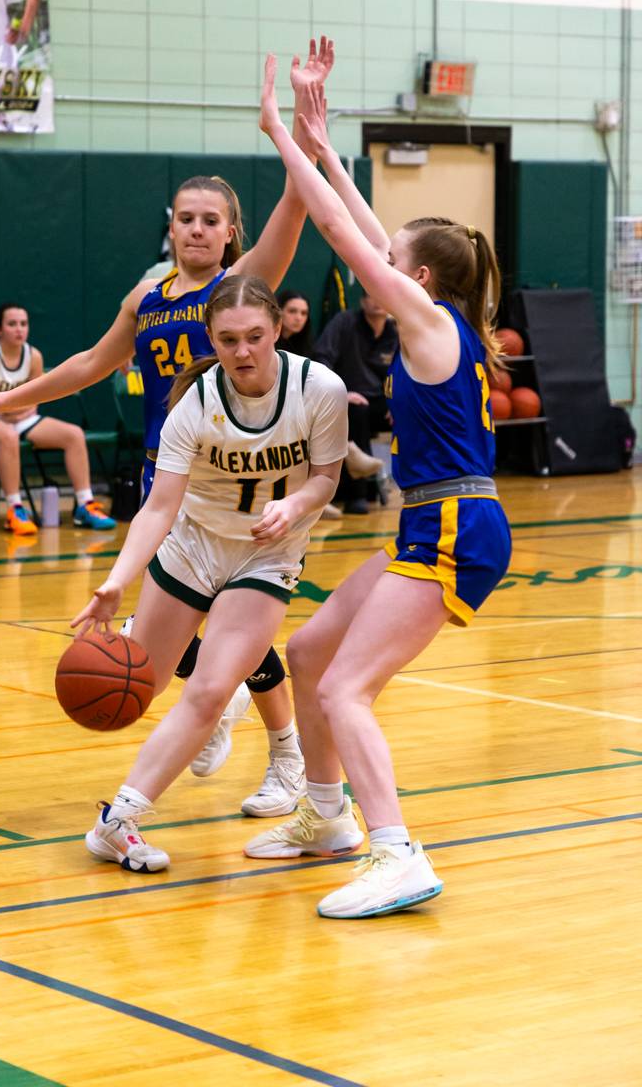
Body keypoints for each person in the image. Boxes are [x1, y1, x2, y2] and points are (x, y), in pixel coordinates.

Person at [0, 38, 335, 816]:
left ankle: (274, 746)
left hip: (248, 481)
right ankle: (238, 721)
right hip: (172, 477)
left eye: (211, 221)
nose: (197, 230)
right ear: (170, 227)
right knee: (203, 617)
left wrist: (301, 131)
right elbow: (90, 365)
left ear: (231, 233)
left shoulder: (244, 289)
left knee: (236, 614)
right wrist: (10, 397)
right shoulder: (149, 296)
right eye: (185, 219)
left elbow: (297, 208)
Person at [249, 57, 512, 919]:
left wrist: (286, 138)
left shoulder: (427, 322)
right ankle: (328, 821)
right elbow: (365, 226)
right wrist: (324, 146)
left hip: (454, 525)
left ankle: (396, 852)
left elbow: (342, 233)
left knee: (342, 690)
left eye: (395, 262)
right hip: (433, 521)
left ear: (417, 280)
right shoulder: (442, 318)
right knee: (314, 651)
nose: (380, 262)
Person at [69, 276, 348, 872]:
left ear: (277, 329)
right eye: (228, 340)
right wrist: (117, 581)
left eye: (254, 336)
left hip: (267, 554)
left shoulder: (319, 388)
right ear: (211, 340)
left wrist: (293, 507)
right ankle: (221, 730)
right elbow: (160, 507)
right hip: (193, 546)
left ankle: (117, 821)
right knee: (135, 688)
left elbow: (326, 478)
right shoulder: (193, 404)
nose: (243, 351)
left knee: (211, 688)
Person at [0, 303, 116, 536]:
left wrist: (13, 410)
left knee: (73, 435)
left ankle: (85, 504)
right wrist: (11, 410)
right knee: (8, 436)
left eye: (23, 324)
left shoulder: (34, 356)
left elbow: (35, 399)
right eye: (12, 324)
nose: (19, 329)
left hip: (19, 415)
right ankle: (15, 509)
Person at [313, 294, 398, 513]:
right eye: (370, 295)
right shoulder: (344, 322)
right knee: (357, 412)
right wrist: (341, 393)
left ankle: (419, 487)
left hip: (382, 401)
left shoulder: (396, 332)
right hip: (348, 398)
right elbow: (322, 358)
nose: (378, 300)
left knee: (413, 414)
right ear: (361, 301)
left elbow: (405, 372)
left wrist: (397, 401)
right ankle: (357, 495)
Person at [276, 290, 312, 356]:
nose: (298, 318)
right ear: (279, 312)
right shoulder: (269, 342)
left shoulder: (306, 346)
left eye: (304, 313)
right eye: (292, 311)